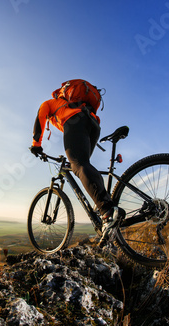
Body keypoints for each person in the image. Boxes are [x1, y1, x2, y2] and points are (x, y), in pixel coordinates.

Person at [29, 79, 125, 246]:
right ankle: (106, 207)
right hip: (93, 124)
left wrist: (36, 145)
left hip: (76, 120)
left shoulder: (51, 103)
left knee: (79, 165)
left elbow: (40, 118)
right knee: (83, 165)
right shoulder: (74, 104)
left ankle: (107, 211)